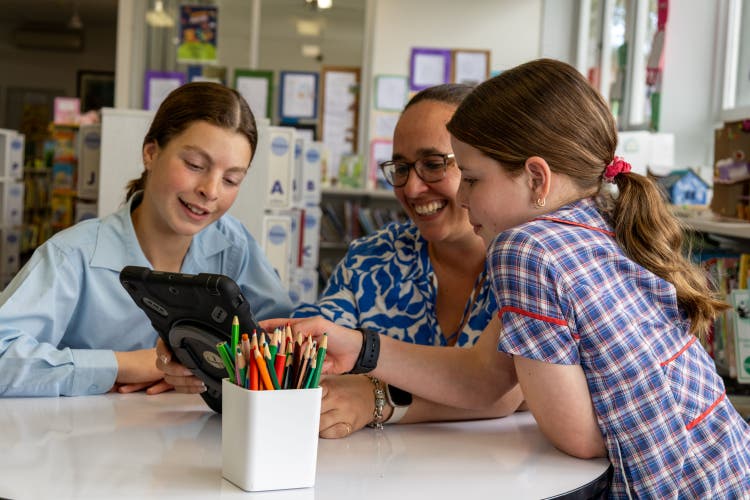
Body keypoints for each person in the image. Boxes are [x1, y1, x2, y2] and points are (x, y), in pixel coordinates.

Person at [263, 59, 750, 497]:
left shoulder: (524, 249)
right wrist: (363, 347)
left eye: (471, 178)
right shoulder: (600, 219)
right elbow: (486, 379)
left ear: (537, 179)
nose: (466, 197)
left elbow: (577, 437)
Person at [0, 82, 292, 397]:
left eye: (231, 179)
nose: (211, 190)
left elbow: (287, 345)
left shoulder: (235, 247)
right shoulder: (72, 255)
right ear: (151, 153)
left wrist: (201, 367)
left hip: (200, 441)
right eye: (195, 165)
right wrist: (125, 365)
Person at [293, 83, 524, 438]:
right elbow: (318, 366)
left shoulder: (528, 265)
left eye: (433, 165)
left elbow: (507, 391)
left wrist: (376, 397)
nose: (412, 189)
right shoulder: (370, 261)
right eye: (400, 168)